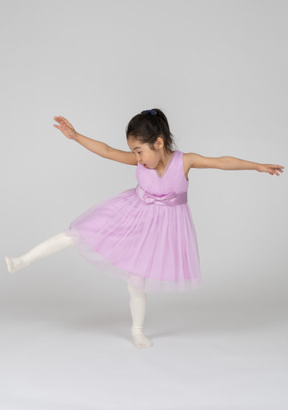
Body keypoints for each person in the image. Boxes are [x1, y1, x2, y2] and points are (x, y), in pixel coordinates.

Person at [4, 108, 284, 349]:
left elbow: (222, 161)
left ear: (159, 143)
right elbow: (106, 150)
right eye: (134, 152)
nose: (137, 158)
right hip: (131, 214)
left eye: (139, 151)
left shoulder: (185, 161)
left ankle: (137, 331)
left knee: (136, 280)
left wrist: (257, 166)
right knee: (78, 232)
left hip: (161, 228)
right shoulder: (137, 160)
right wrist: (76, 136)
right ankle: (21, 261)